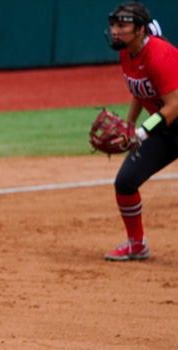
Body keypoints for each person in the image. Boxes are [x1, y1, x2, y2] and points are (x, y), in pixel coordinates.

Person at [105, 2, 178, 261]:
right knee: (125, 183)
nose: (115, 30)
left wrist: (142, 133)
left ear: (139, 29)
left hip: (169, 118)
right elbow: (139, 91)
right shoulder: (127, 52)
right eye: (113, 24)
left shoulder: (160, 55)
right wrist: (129, 126)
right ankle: (137, 245)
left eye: (122, 25)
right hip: (166, 131)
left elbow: (174, 105)